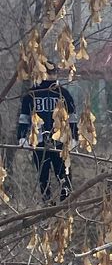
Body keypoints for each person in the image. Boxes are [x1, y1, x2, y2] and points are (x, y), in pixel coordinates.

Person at [17, 68, 77, 203]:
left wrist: (74, 137)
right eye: (49, 72)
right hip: (38, 141)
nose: (51, 75)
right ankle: (47, 206)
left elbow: (72, 117)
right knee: (43, 177)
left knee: (64, 175)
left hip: (60, 142)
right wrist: (21, 136)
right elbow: (24, 118)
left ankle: (65, 206)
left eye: (53, 72)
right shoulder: (32, 94)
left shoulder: (63, 93)